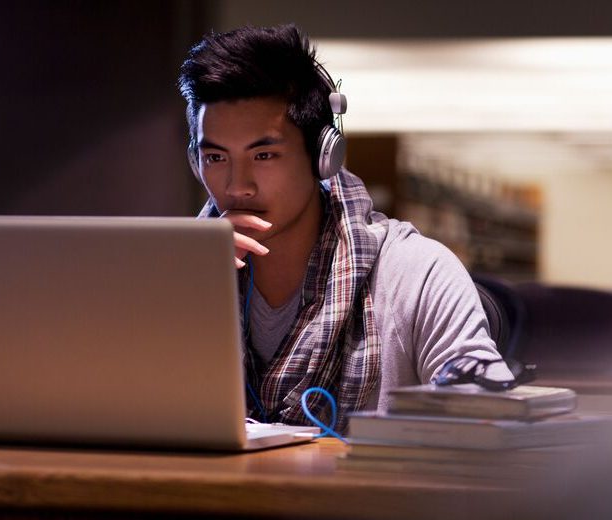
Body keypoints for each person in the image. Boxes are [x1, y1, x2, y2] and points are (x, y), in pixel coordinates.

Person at [178, 24, 502, 431]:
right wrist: (186, 293)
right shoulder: (179, 277)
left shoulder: (417, 273)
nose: (237, 186)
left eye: (264, 155)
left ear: (322, 156)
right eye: (216, 158)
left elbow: (488, 418)